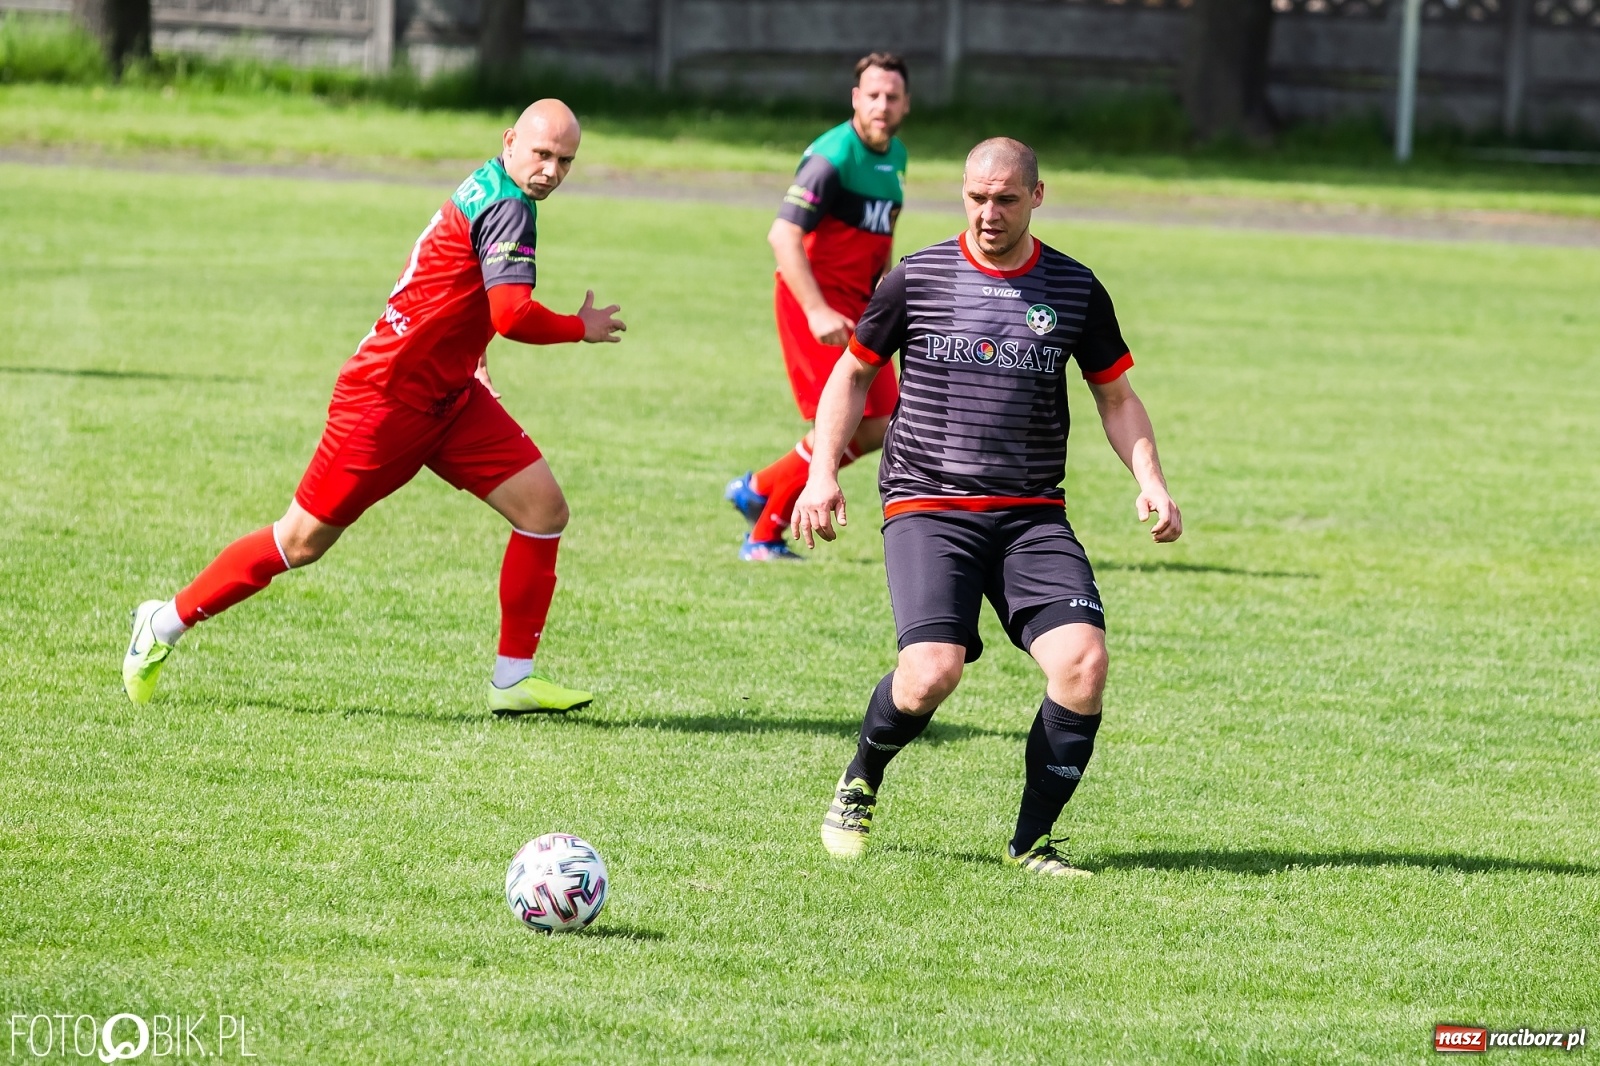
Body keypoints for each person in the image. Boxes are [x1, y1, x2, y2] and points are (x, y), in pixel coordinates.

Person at [121, 99, 625, 716]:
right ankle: (162, 623)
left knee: (543, 510)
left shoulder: (494, 187)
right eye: (542, 154)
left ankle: (513, 679)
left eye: (565, 161)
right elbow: (511, 314)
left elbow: (450, 289)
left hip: (449, 397)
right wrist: (579, 327)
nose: (551, 171)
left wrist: (473, 357)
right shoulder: (508, 207)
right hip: (384, 401)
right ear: (510, 140)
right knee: (299, 542)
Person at [792, 138, 1182, 876]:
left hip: (1032, 513)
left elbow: (1116, 397)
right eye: (976, 197)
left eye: (1005, 199)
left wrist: (1151, 480)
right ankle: (861, 778)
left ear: (1037, 196)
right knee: (929, 674)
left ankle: (1030, 843)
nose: (988, 213)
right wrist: (821, 474)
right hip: (928, 504)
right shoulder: (918, 278)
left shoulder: (1074, 288)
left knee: (1083, 664)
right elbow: (851, 375)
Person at [723, 52, 911, 561]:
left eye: (892, 97)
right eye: (873, 95)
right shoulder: (832, 158)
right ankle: (765, 533)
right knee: (845, 420)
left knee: (885, 421)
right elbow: (783, 236)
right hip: (817, 305)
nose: (882, 105)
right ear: (855, 99)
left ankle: (759, 487)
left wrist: (887, 293)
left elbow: (881, 236)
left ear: (906, 104)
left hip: (860, 308)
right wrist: (816, 311)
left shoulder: (896, 156)